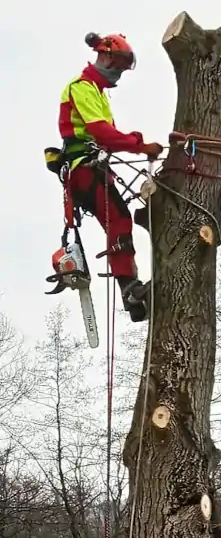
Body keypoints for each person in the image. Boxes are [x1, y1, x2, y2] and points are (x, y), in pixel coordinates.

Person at [57, 32, 163, 322]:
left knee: (120, 220)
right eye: (117, 65)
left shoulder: (98, 92)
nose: (118, 72)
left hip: (93, 168)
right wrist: (139, 145)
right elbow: (102, 133)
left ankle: (132, 295)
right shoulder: (82, 88)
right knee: (119, 220)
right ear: (104, 55)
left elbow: (106, 137)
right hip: (84, 168)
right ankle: (129, 289)